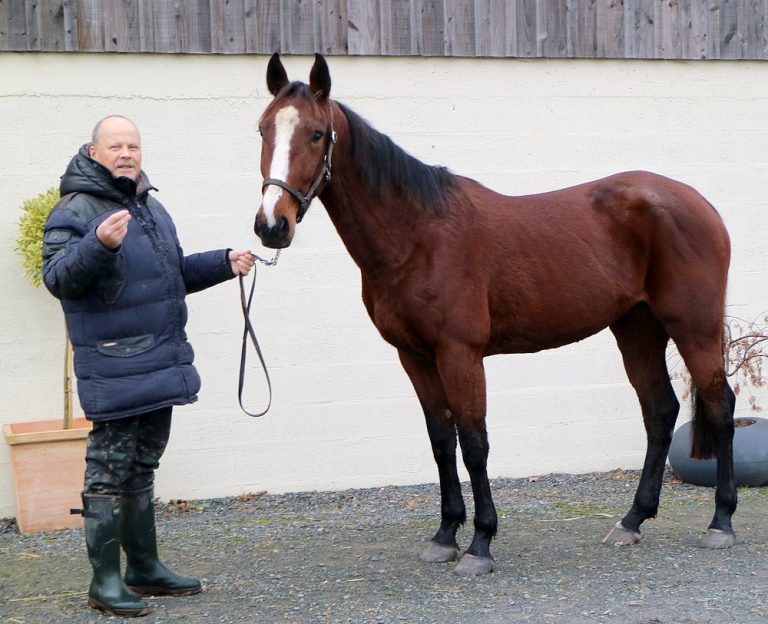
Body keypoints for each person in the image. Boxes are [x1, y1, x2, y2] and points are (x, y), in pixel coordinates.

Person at [42, 115, 255, 617]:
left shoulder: (150, 206)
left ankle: (143, 568)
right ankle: (104, 582)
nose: (126, 154)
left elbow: (171, 276)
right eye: (115, 146)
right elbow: (58, 278)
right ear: (93, 152)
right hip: (114, 363)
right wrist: (98, 244)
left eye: (133, 146)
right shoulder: (73, 210)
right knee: (107, 472)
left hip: (159, 361)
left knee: (142, 466)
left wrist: (223, 262)